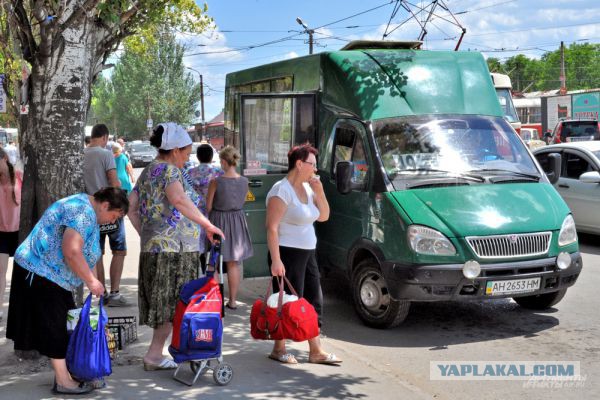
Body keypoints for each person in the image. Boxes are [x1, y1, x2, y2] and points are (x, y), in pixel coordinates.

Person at [6, 187, 128, 395]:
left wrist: (94, 279)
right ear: (105, 205)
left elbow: (86, 251)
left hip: (52, 275)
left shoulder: (86, 206)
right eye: (114, 216)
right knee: (56, 327)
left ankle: (68, 373)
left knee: (66, 324)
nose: (113, 221)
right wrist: (90, 281)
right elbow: (71, 250)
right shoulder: (83, 213)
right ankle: (63, 381)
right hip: (40, 270)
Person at [127, 122, 224, 371]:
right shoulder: (169, 172)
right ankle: (154, 355)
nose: (186, 157)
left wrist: (147, 234)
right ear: (174, 150)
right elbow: (178, 200)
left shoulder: (149, 170)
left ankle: (160, 353)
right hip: (175, 250)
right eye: (185, 151)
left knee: (169, 303)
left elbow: (131, 206)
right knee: (174, 303)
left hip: (160, 248)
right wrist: (207, 225)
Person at [265, 144, 341, 365]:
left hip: (308, 253)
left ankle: (315, 350)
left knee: (312, 300)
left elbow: (324, 216)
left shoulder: (309, 189)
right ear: (299, 164)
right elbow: (271, 227)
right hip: (287, 254)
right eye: (312, 164)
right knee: (287, 302)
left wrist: (320, 192)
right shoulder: (281, 190)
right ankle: (279, 348)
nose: (315, 169)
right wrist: (276, 259)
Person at [84, 124, 129, 306]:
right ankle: (115, 293)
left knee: (97, 253)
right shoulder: (105, 154)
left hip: (92, 210)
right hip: (111, 208)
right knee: (119, 250)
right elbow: (114, 180)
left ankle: (101, 293)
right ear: (104, 137)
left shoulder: (81, 154)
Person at [207, 146, 253, 309]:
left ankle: (215, 299)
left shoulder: (216, 182)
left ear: (225, 162)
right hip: (238, 221)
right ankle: (232, 301)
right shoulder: (244, 181)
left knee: (214, 261)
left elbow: (209, 206)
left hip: (219, 221)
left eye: (221, 161)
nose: (220, 164)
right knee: (233, 263)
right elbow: (242, 201)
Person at [187, 143, 223, 271]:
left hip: (195, 211)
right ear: (212, 156)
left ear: (197, 156)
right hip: (214, 210)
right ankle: (214, 269)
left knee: (199, 240)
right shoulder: (218, 172)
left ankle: (201, 266)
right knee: (214, 240)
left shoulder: (190, 172)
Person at [0, 148, 22, 321]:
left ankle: (23, 308)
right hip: (1, 233)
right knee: (1, 271)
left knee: (22, 272)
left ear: (5, 158)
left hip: (20, 231)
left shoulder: (20, 176)